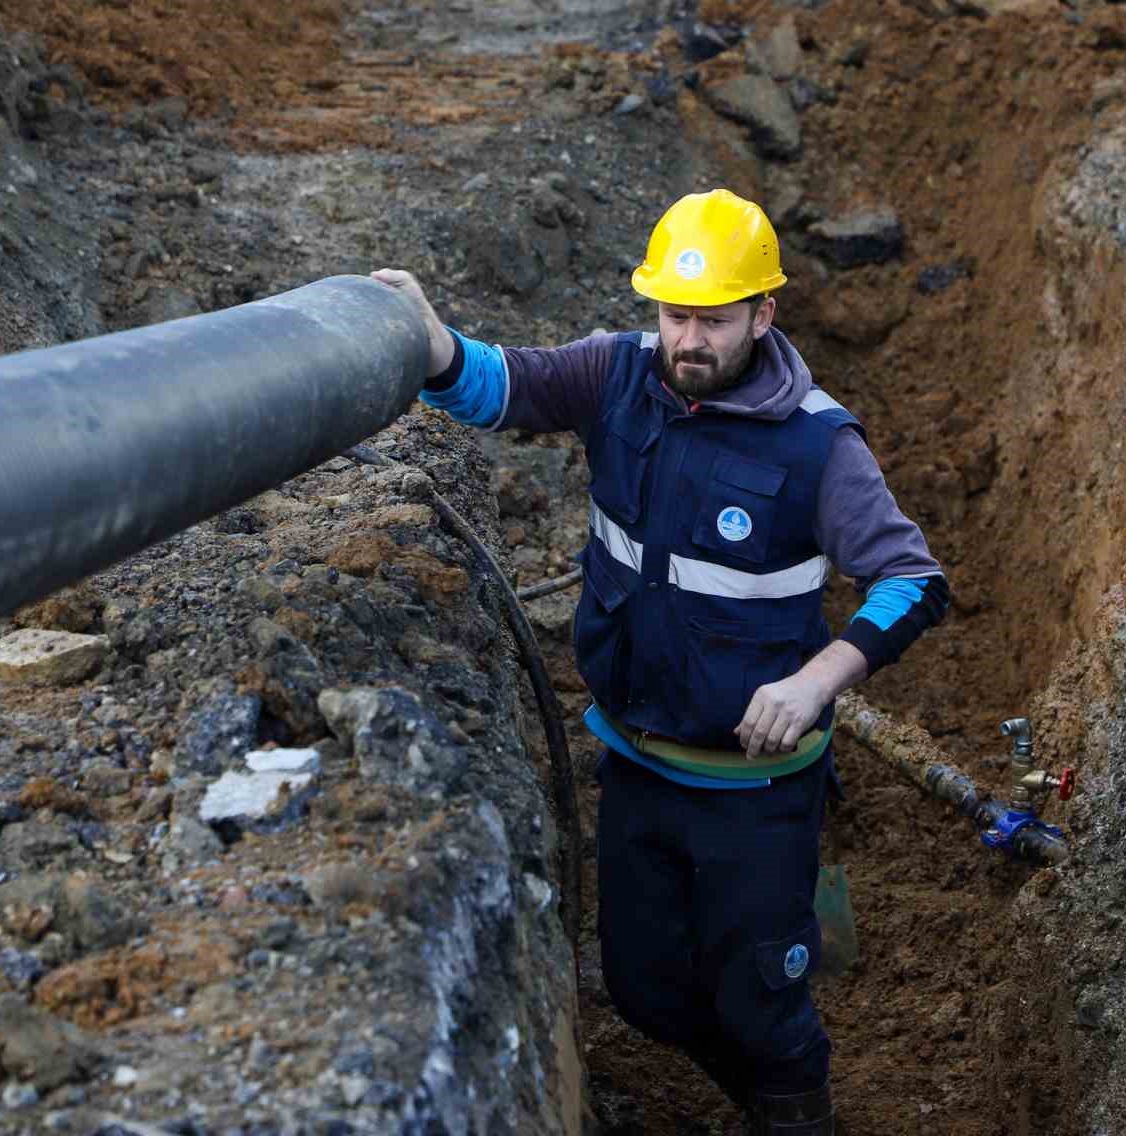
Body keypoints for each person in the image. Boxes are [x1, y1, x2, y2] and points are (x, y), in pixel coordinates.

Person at [371, 188, 947, 1136]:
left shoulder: (817, 444)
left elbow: (912, 578)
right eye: (675, 315)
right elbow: (501, 386)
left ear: (764, 313)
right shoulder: (615, 374)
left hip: (758, 793)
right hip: (638, 762)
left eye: (713, 321)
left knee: (764, 1000)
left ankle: (801, 1114)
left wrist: (815, 681)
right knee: (642, 993)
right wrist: (434, 343)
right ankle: (759, 1106)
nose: (689, 340)